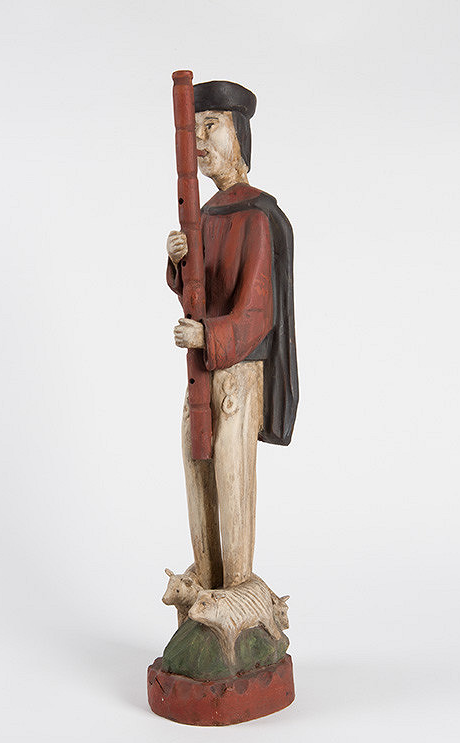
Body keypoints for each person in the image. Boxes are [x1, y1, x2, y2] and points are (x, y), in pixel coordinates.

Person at [166, 80, 298, 591]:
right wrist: (179, 262)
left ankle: (238, 587)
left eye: (211, 126)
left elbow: (258, 312)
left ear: (238, 136)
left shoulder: (257, 215)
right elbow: (198, 292)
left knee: (231, 476)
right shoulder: (205, 214)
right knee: (195, 467)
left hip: (237, 372)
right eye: (194, 129)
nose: (199, 139)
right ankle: (207, 577)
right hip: (202, 369)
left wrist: (208, 335)